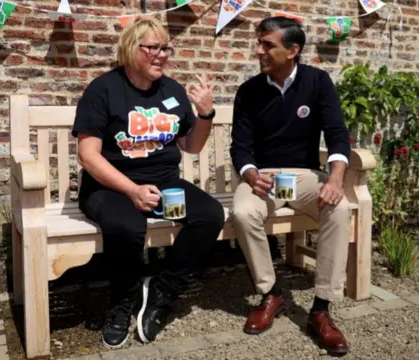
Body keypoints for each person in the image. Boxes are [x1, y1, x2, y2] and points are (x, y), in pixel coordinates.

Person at [72, 16, 225, 349]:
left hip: (164, 183)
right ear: (131, 49)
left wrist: (205, 115)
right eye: (153, 48)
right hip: (109, 188)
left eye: (165, 48)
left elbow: (191, 146)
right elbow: (88, 155)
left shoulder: (172, 90)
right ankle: (121, 302)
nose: (162, 55)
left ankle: (161, 290)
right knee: (128, 226)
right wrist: (131, 189)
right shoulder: (103, 89)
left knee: (211, 215)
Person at [229, 17, 352, 356]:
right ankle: (271, 293)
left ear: (292, 51)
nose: (259, 50)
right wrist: (251, 174)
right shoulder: (250, 91)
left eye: (267, 44)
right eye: (259, 42)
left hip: (305, 174)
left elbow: (338, 135)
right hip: (263, 177)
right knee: (242, 211)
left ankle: (321, 308)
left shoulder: (318, 82)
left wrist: (336, 179)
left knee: (339, 208)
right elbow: (240, 147)